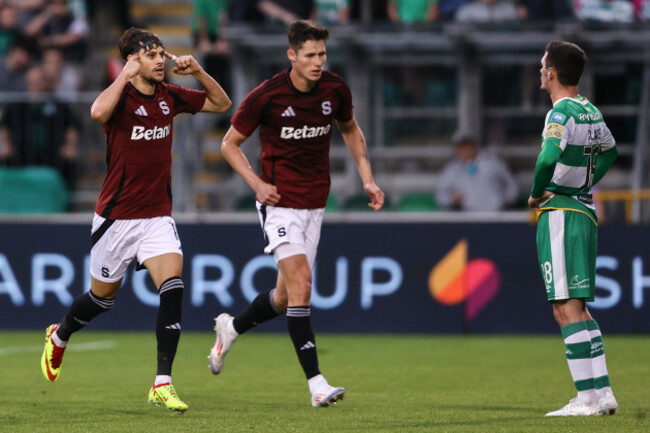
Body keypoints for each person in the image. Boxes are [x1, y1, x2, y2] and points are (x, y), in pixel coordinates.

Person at [40, 27, 231, 412]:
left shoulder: (169, 95)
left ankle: (162, 382)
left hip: (157, 215)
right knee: (101, 301)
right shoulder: (120, 98)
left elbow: (221, 104)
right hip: (116, 218)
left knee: (173, 286)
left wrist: (197, 71)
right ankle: (60, 335)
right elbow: (96, 112)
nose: (161, 60)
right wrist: (122, 76)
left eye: (162, 53)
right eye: (151, 54)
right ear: (132, 61)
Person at [210, 20, 384, 407]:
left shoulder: (335, 89)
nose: (318, 61)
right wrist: (256, 185)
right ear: (292, 56)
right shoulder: (267, 95)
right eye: (310, 55)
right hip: (278, 205)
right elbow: (229, 144)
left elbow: (351, 131)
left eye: (322, 53)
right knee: (303, 284)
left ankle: (232, 328)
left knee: (287, 297)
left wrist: (367, 180)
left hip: (314, 204)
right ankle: (316, 384)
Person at [528, 40, 618, 417]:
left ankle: (586, 400)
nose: (539, 70)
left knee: (565, 307)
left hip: (561, 212)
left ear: (552, 73)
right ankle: (603, 393)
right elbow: (611, 150)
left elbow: (548, 155)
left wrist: (537, 193)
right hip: (584, 210)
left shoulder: (560, 112)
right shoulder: (590, 109)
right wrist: (583, 179)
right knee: (579, 308)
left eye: (542, 64)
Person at [0, 65, 79, 191]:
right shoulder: (17, 105)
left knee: (69, 162)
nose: (33, 87)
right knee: (5, 161)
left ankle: (66, 201)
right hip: (21, 155)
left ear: (45, 83)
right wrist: (6, 145)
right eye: (30, 83)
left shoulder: (59, 105)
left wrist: (69, 146)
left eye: (37, 83)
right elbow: (4, 125)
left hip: (53, 156)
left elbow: (72, 126)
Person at [436, 133, 518, 211]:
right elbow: (440, 196)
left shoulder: (492, 163)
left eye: (468, 146)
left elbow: (511, 185)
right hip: (469, 216)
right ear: (456, 150)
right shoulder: (451, 170)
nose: (465, 150)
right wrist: (452, 198)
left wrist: (504, 200)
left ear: (475, 147)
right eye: (461, 147)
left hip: (496, 214)